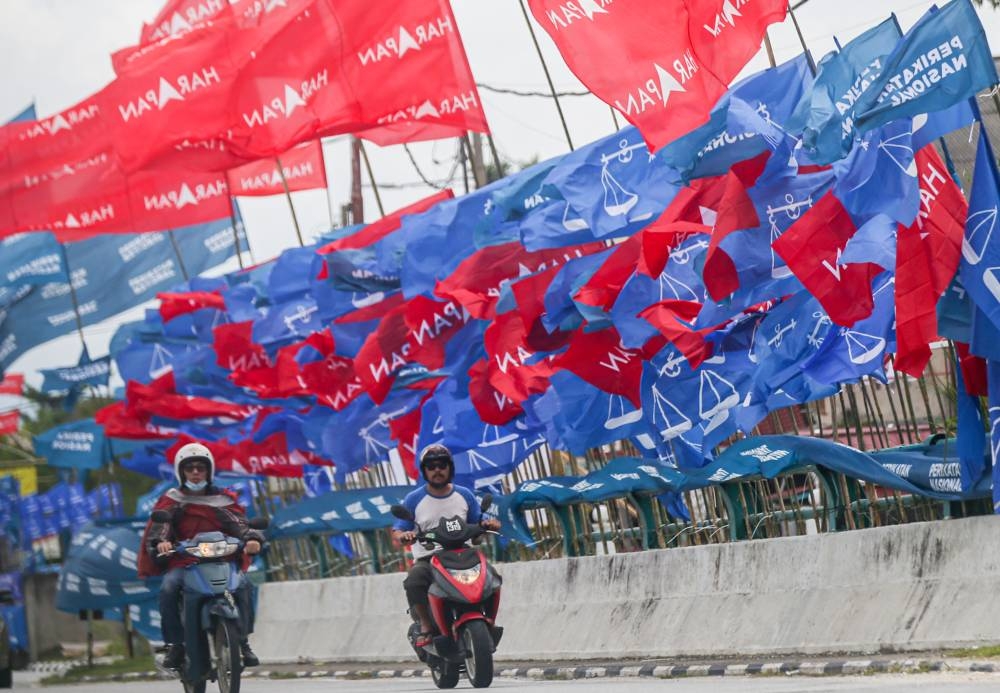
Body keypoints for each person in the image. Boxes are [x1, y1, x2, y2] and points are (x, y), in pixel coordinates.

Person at [138, 443, 265, 669]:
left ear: (209, 471)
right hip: (184, 562)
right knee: (168, 587)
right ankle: (177, 645)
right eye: (190, 468)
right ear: (181, 472)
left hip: (221, 560)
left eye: (200, 468)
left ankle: (243, 642)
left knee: (244, 585)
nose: (196, 472)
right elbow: (161, 526)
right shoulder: (172, 499)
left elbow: (239, 524)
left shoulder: (223, 499)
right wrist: (162, 543)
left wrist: (252, 539)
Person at [391, 444, 501, 647]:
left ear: (450, 468)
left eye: (442, 465)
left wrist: (487, 525)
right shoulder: (414, 499)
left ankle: (490, 620)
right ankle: (425, 624)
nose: (437, 470)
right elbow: (398, 531)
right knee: (414, 579)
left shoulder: (465, 495)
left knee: (493, 577)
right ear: (425, 471)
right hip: (429, 558)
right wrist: (404, 536)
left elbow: (477, 527)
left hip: (464, 554)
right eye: (431, 466)